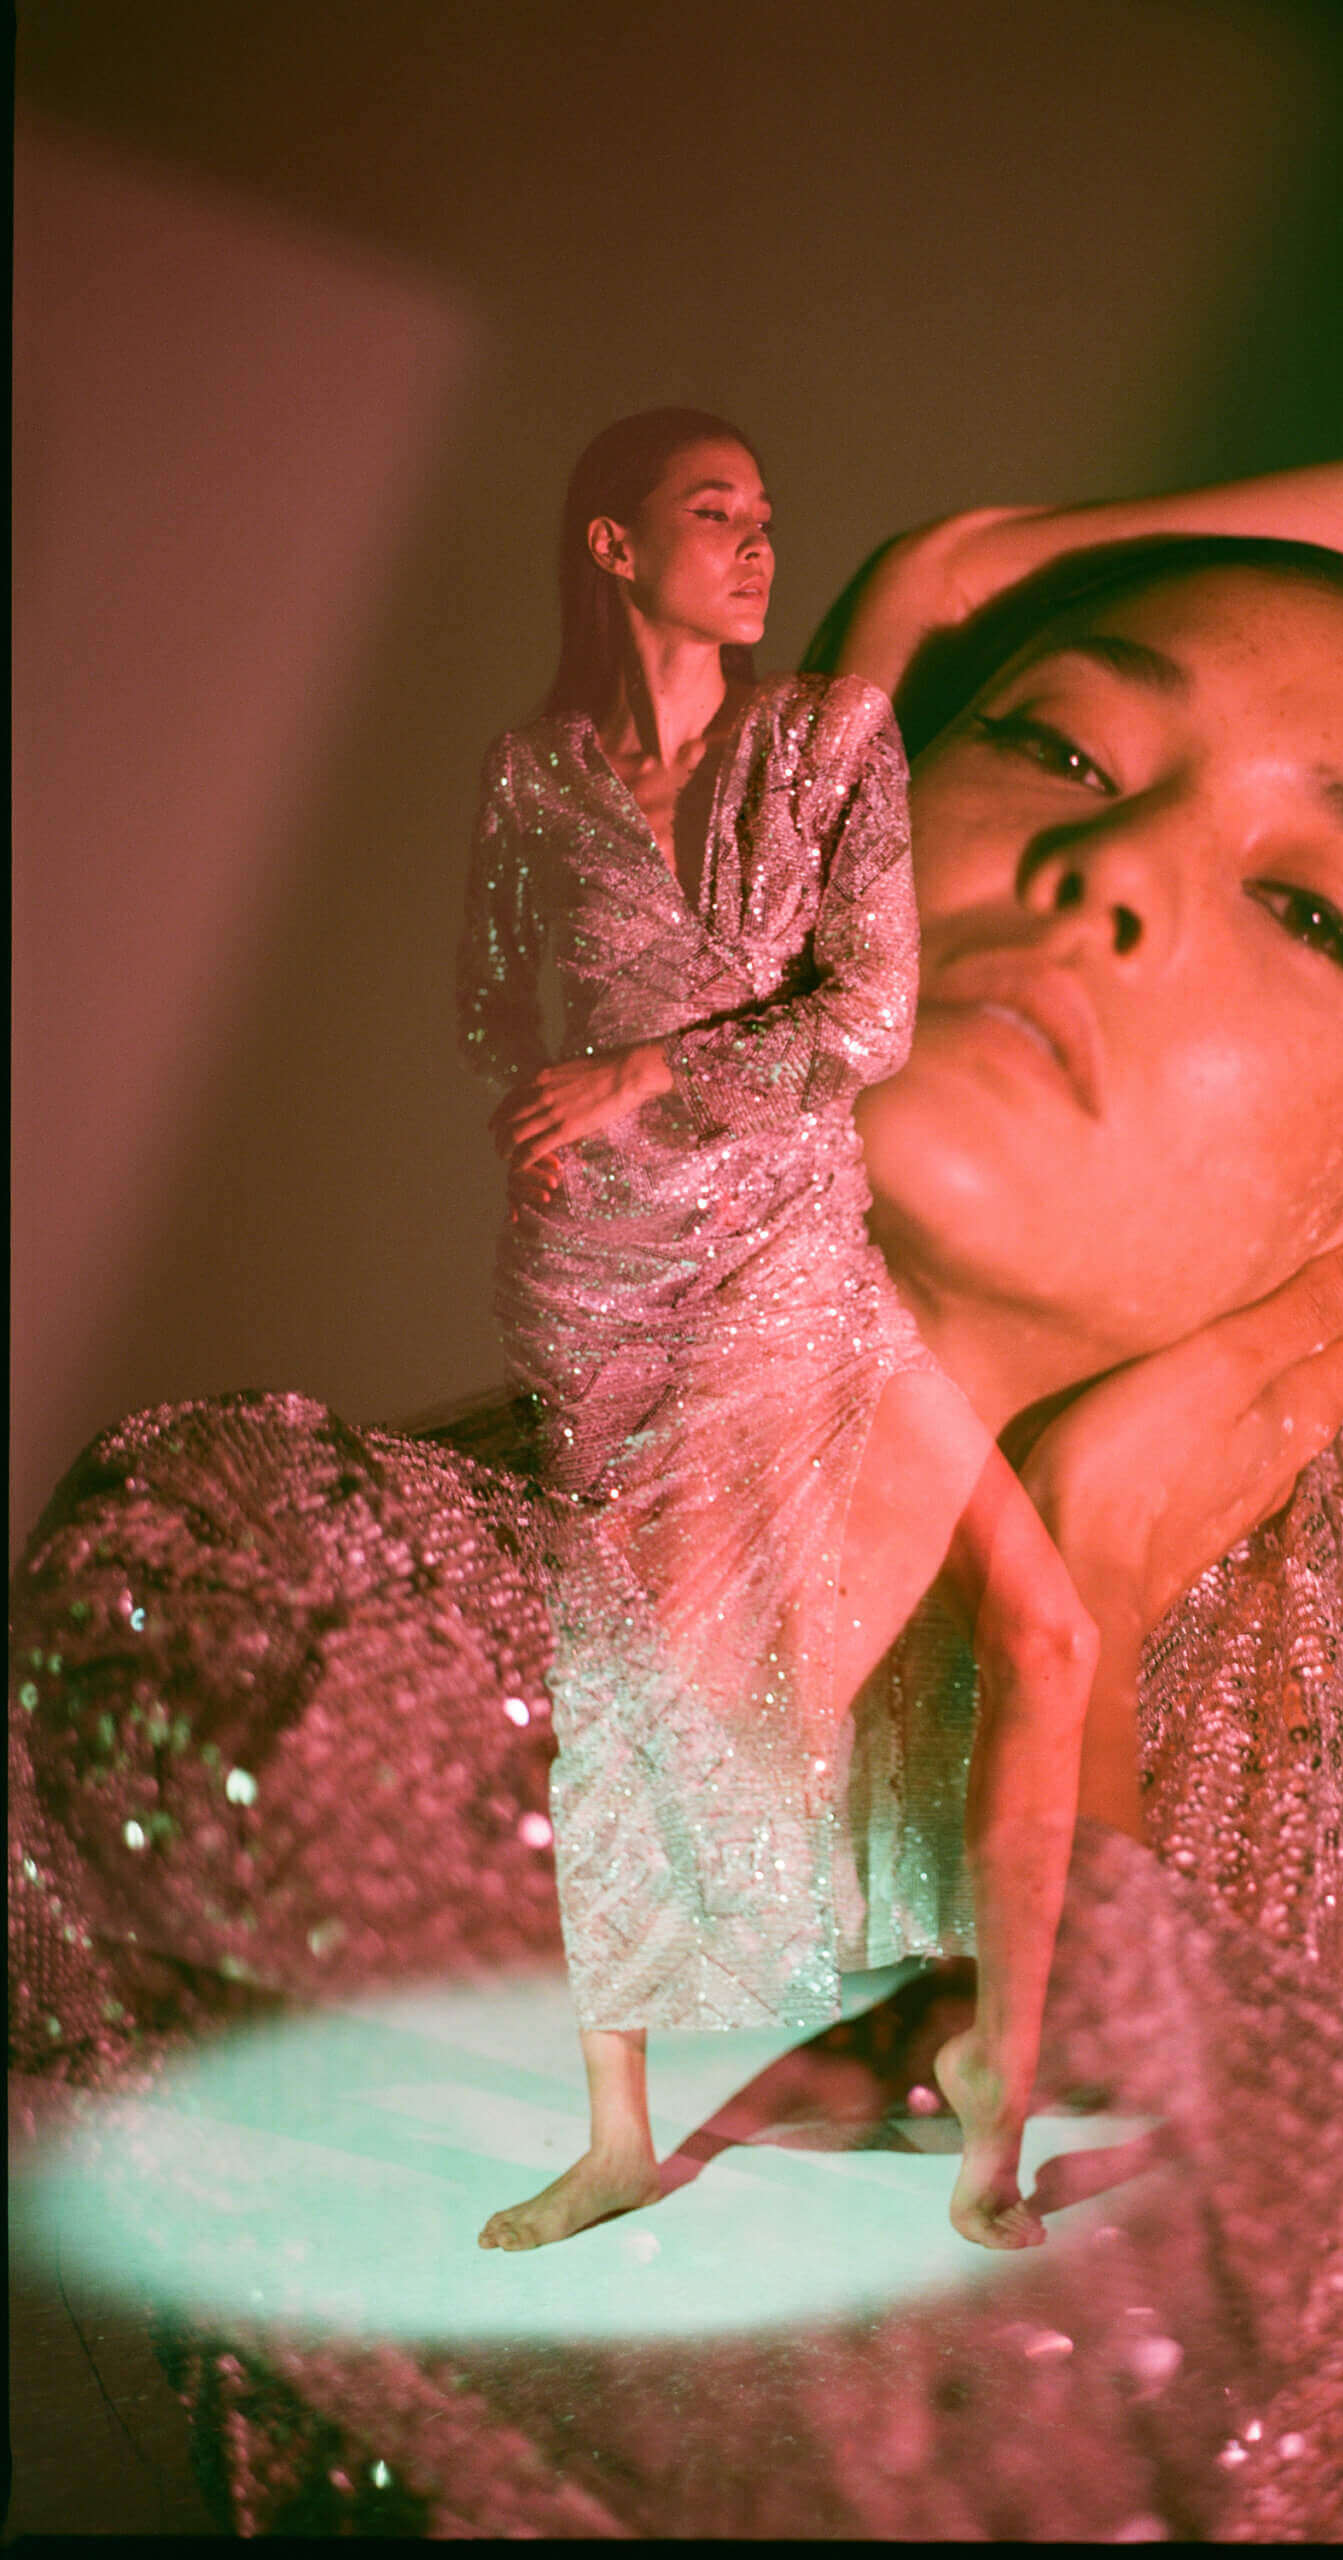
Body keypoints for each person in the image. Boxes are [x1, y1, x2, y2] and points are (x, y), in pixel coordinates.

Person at [8, 270, 1343, 2537]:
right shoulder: (258, 1575)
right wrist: (1073, 1639)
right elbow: (994, 2401)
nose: (1116, 869)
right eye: (1055, 747)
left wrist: (1010, 562)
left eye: (1309, 907)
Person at [457, 406, 1098, 2252]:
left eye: (763, 516)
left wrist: (643, 1068)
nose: (754, 544)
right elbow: (496, 1009)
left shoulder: (827, 741)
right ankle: (616, 2135)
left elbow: (871, 1018)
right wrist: (574, 1112)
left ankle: (994, 2074)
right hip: (613, 1296)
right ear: (614, 547)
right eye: (711, 512)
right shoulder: (533, 778)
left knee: (1044, 1628)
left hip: (804, 1266)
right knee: (627, 1696)